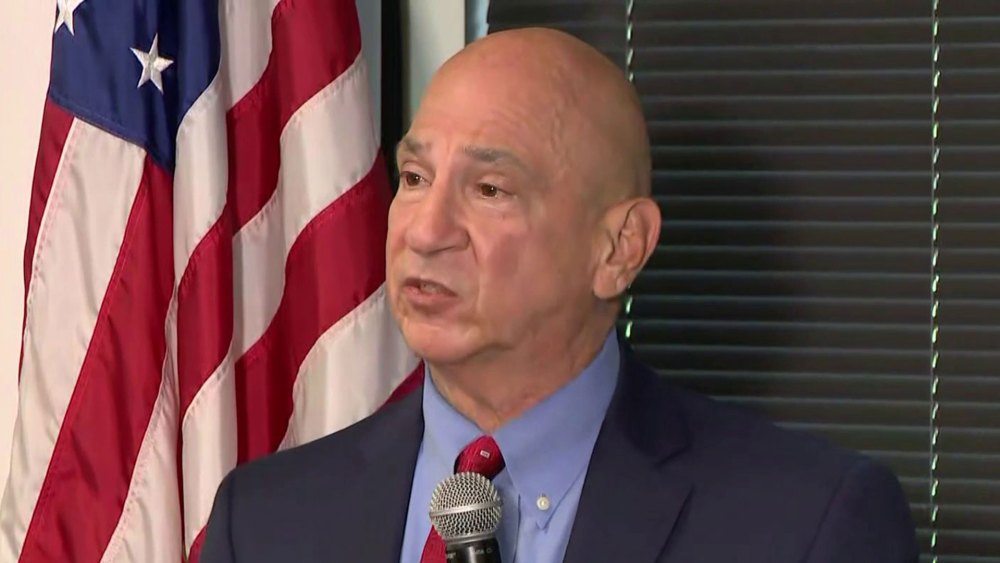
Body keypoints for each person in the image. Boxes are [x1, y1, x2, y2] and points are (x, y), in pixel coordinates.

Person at [201, 28, 918, 562]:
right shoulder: (264, 522)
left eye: (489, 189)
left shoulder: (807, 526)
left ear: (618, 249)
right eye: (414, 178)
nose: (425, 230)